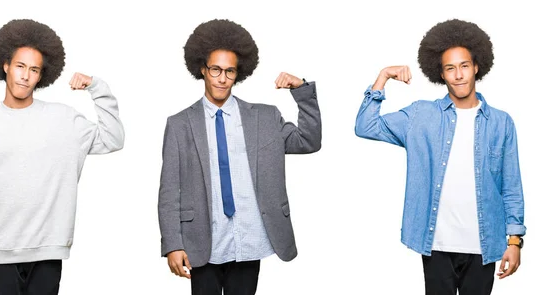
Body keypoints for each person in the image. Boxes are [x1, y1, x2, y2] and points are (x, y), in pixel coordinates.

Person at [355, 19, 525, 294]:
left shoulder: (501, 123)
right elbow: (365, 126)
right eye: (450, 68)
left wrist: (515, 242)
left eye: (464, 66)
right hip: (436, 245)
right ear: (441, 74)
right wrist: (383, 76)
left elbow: (511, 187)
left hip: (484, 244)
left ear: (477, 67)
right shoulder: (421, 116)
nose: (458, 75)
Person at [0, 19, 125, 294]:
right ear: (5, 66)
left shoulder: (63, 119)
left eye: (33, 69)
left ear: (41, 75)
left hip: (49, 249)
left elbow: (113, 139)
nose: (25, 76)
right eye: (20, 66)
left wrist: (97, 88)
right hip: (0, 252)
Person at [158, 18, 321, 295]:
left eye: (230, 71)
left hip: (249, 238)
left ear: (238, 73)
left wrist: (301, 90)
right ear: (202, 70)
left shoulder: (266, 117)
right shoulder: (179, 124)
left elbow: (309, 141)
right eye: (215, 70)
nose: (222, 78)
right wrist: (173, 244)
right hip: (203, 240)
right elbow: (169, 190)